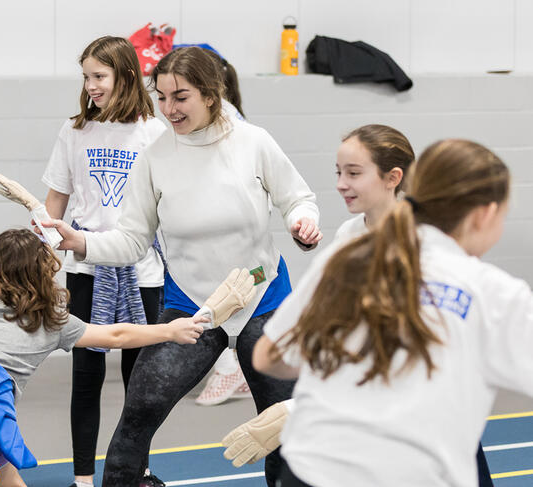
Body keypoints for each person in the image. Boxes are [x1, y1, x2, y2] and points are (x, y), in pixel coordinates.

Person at [43, 46, 322, 486]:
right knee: (136, 420)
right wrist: (81, 242)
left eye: (181, 97)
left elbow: (297, 199)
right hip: (192, 306)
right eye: (163, 97)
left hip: (263, 301)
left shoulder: (254, 142)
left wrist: (301, 222)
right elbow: (133, 240)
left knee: (282, 431)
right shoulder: (155, 155)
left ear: (211, 95)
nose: (169, 109)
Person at [0, 229, 249, 487]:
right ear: (43, 273)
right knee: (3, 473)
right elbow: (116, 333)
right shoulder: (51, 319)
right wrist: (170, 330)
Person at [225, 126, 493, 486]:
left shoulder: (428, 241)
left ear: (392, 178)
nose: (340, 183)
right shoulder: (348, 237)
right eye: (338, 172)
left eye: (353, 173)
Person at [41, 35, 167, 487]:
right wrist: (42, 254)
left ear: (125, 76)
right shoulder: (75, 131)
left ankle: (138, 468)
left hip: (143, 270)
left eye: (99, 76)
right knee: (87, 374)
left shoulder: (155, 132)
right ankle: (81, 478)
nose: (91, 85)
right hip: (86, 267)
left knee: (142, 381)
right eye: (86, 77)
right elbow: (55, 200)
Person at [193, 47, 251, 407]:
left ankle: (231, 364)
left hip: (226, 227)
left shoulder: (228, 120)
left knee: (224, 297)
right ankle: (236, 366)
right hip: (216, 225)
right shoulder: (223, 115)